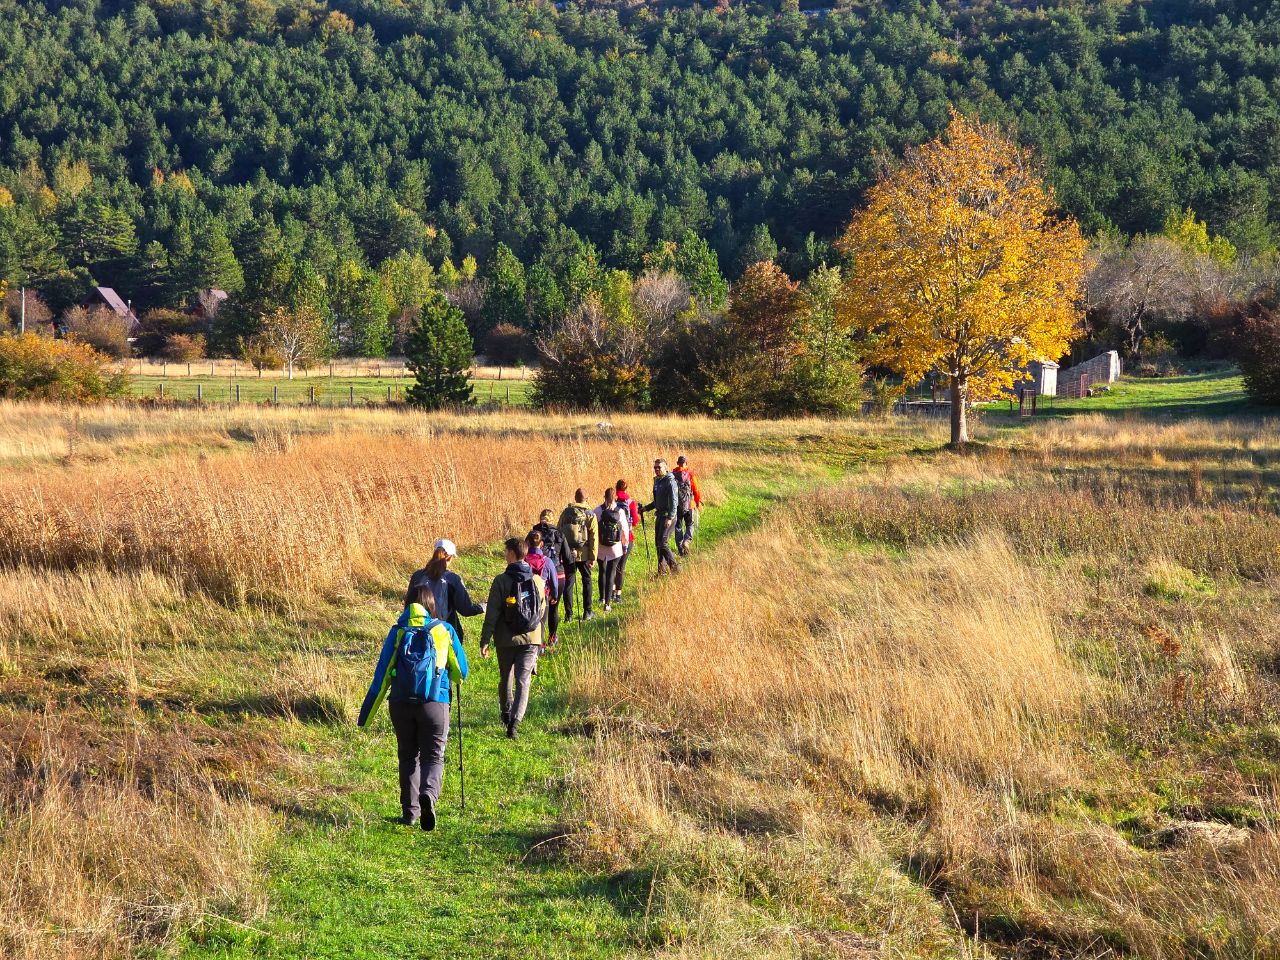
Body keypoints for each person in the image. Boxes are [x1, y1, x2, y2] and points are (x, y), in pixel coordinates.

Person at [357, 586, 467, 831]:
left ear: (407, 605)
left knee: (408, 756)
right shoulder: (444, 630)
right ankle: (428, 794)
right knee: (433, 756)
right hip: (434, 704)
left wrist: (365, 716)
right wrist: (451, 675)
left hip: (400, 704)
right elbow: (462, 671)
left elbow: (382, 675)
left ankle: (410, 813)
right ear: (432, 605)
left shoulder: (397, 632)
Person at [480, 537, 546, 739]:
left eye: (505, 551)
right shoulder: (537, 580)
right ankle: (515, 723)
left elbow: (492, 613)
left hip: (505, 639)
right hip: (531, 638)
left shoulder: (501, 581)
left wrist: (485, 639)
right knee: (523, 680)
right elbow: (541, 611)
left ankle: (506, 713)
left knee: (506, 677)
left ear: (511, 554)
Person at [405, 539, 486, 641]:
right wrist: (483, 607)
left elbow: (407, 607)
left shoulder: (417, 576)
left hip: (416, 634)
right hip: (445, 634)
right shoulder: (453, 579)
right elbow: (466, 610)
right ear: (450, 557)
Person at [557, 489, 599, 622]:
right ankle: (587, 612)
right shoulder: (590, 515)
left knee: (569, 582)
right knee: (586, 580)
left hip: (569, 553)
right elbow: (593, 538)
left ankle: (568, 615)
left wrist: (562, 552)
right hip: (584, 553)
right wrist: (593, 557)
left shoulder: (566, 513)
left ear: (575, 498)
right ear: (587, 498)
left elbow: (559, 532)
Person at [531, 509, 570, 645]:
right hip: (558, 575)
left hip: (537, 576)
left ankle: (537, 640)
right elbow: (568, 558)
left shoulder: (533, 534)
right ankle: (552, 638)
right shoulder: (559, 534)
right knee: (554, 608)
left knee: (538, 608)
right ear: (553, 519)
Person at [593, 487, 630, 612]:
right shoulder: (619, 511)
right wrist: (625, 545)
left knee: (602, 572)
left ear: (604, 496)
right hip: (615, 548)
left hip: (600, 547)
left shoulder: (597, 510)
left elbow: (592, 529)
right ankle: (607, 604)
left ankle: (602, 598)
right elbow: (625, 530)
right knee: (611, 573)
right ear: (615, 497)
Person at [640, 458, 679, 574]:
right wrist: (646, 508)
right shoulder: (657, 481)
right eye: (655, 467)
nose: (656, 469)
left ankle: (675, 568)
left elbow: (674, 501)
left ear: (665, 468)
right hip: (660, 516)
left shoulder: (670, 481)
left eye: (659, 467)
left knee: (663, 542)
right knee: (658, 544)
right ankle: (662, 571)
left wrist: (670, 517)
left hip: (669, 517)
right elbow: (656, 501)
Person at [524, 529, 561, 643]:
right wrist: (554, 596)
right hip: (542, 595)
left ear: (528, 543)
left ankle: (527, 643)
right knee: (541, 622)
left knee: (526, 619)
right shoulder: (547, 561)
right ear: (541, 544)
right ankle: (540, 647)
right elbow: (554, 582)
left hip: (525, 595)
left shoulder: (523, 560)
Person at [613, 479, 642, 601]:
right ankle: (618, 595)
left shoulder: (612, 501)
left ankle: (611, 591)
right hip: (628, 538)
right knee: (621, 567)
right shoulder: (630, 502)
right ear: (626, 488)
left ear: (616, 488)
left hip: (613, 538)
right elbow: (635, 521)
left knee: (613, 565)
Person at [672, 456, 703, 556]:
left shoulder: (672, 475)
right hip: (689, 504)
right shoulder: (690, 474)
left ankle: (681, 549)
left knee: (678, 527)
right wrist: (698, 502)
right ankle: (687, 541)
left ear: (677, 463)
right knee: (690, 524)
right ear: (686, 463)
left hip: (677, 506)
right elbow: (696, 490)